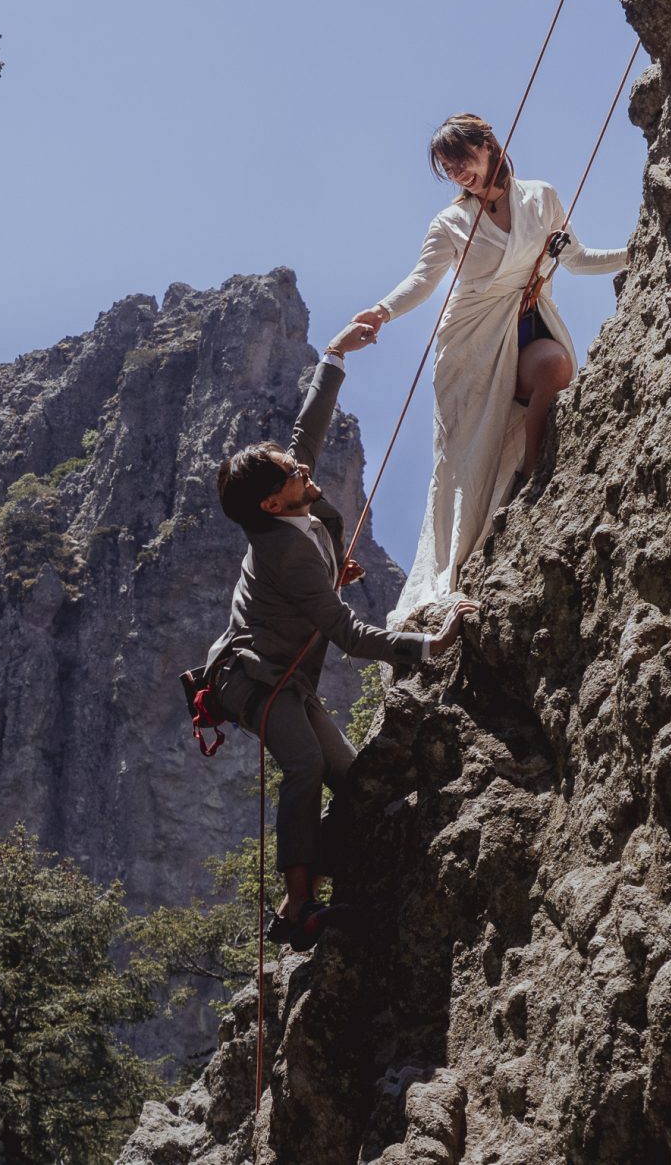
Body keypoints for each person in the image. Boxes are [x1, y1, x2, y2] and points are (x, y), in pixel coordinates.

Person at [206, 320, 474, 949]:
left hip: (285, 682)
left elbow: (306, 434)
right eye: (289, 475)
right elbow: (347, 634)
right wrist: (429, 647)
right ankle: (298, 907)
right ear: (274, 505)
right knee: (302, 766)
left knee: (350, 779)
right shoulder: (283, 553)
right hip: (251, 683)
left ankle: (345, 873)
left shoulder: (292, 512)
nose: (302, 469)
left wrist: (334, 358)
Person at [352, 113, 628, 623]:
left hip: (526, 323)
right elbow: (422, 280)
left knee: (555, 367)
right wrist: (381, 312)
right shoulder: (450, 223)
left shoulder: (540, 197)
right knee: (463, 458)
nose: (458, 173)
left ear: (488, 145)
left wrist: (639, 251)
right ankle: (454, 563)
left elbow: (578, 258)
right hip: (470, 345)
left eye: (462, 159)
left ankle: (530, 475)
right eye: (447, 168)